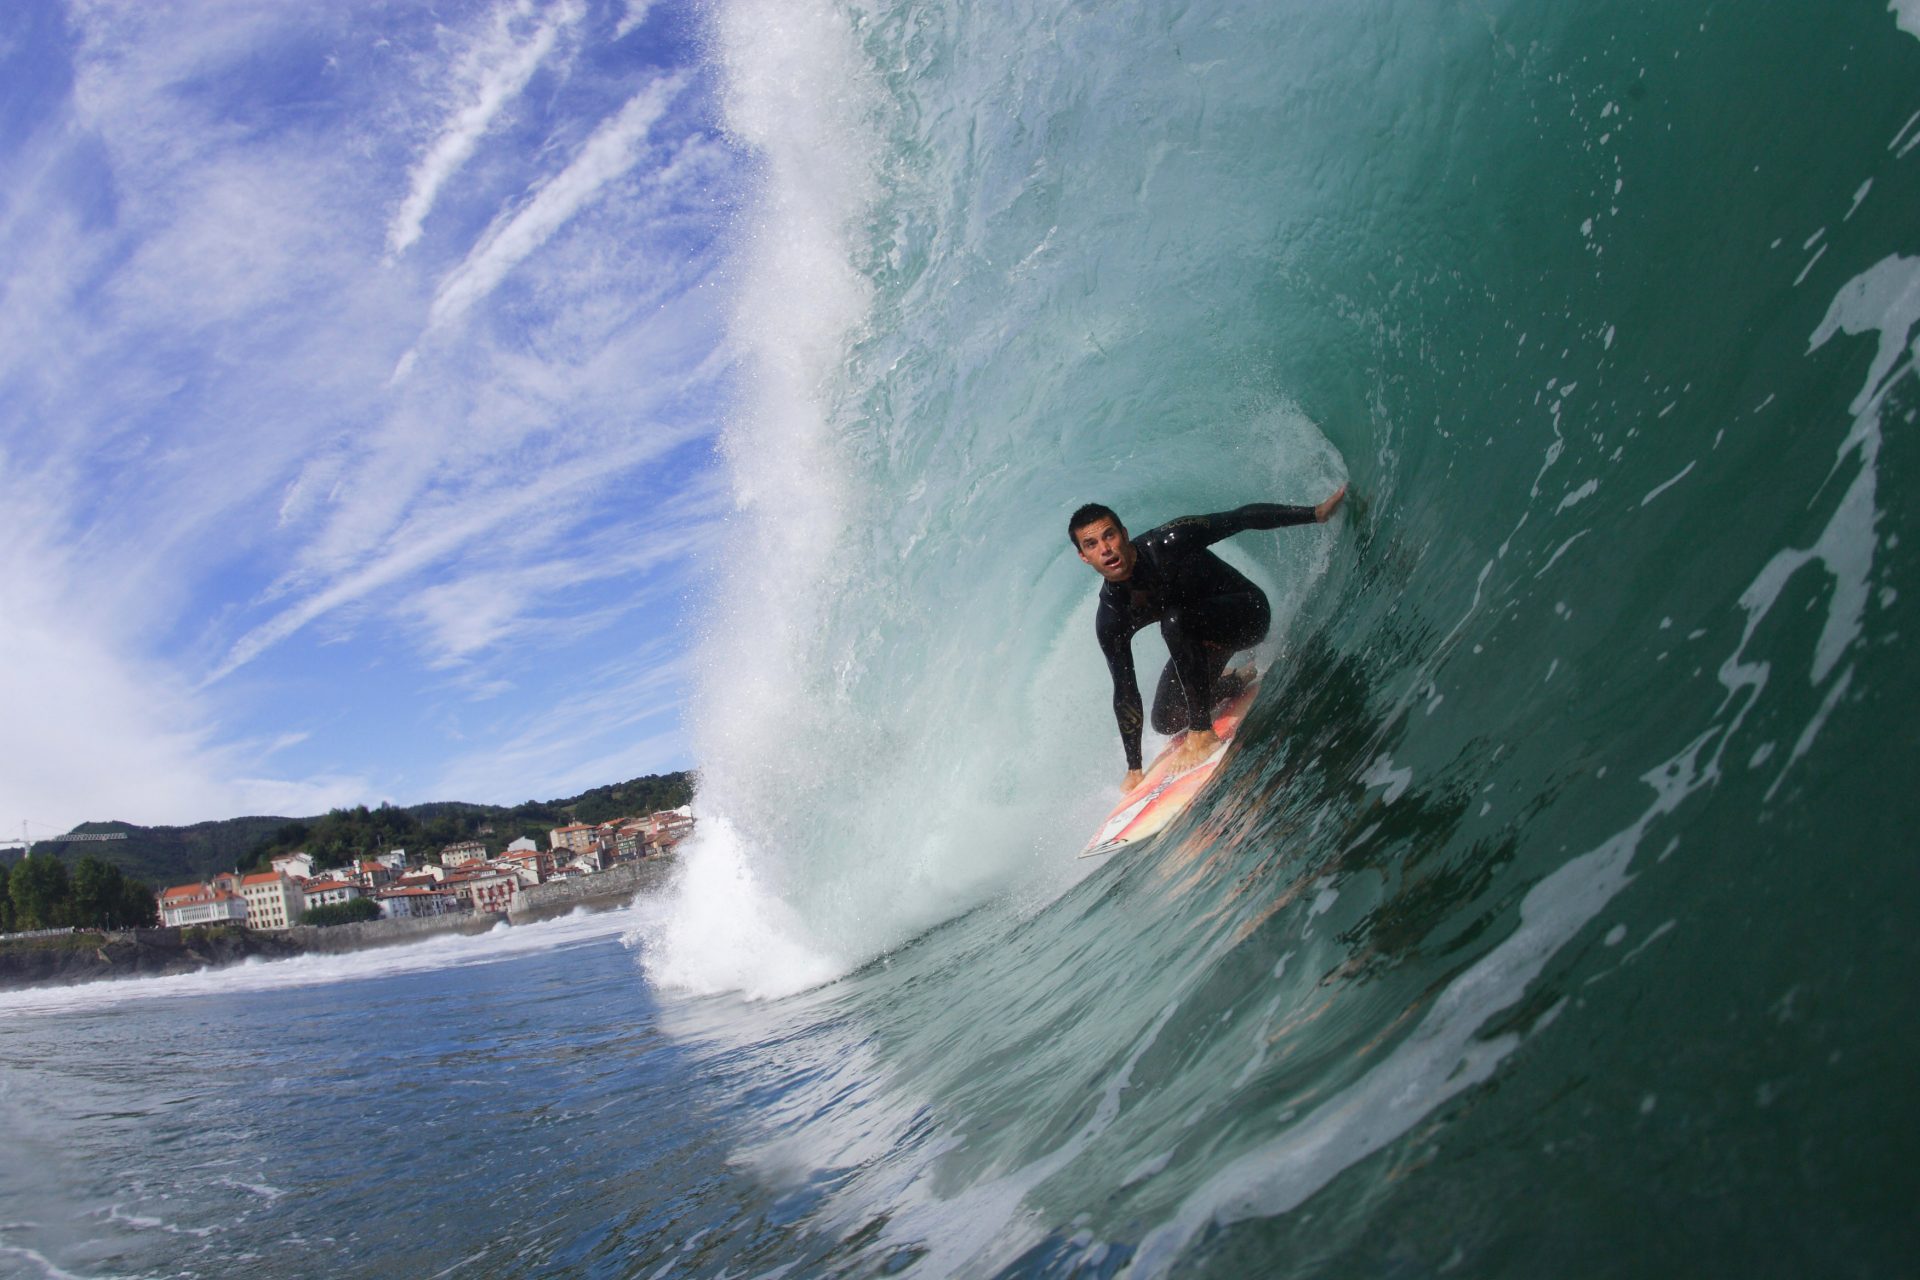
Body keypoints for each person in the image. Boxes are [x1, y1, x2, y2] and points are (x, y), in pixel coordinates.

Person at [1070, 487, 1347, 789]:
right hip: (1201, 644)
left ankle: (1202, 732)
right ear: (1084, 557)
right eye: (1092, 544)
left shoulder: (1169, 542)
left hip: (1247, 615)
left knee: (1174, 620)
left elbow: (1239, 518)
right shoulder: (1112, 616)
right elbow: (1125, 691)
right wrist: (1134, 767)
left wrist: (1315, 514)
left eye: (1109, 536)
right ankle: (1236, 680)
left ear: (1124, 534)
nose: (1105, 548)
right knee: (1167, 721)